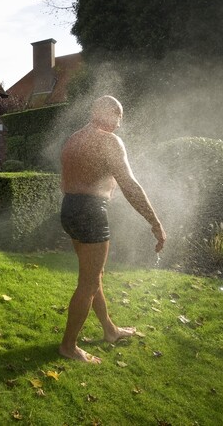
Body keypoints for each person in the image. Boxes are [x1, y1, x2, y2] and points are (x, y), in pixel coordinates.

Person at [58, 95, 166, 364]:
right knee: (89, 283)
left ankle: (110, 330)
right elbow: (129, 185)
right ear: (106, 113)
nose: (121, 120)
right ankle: (68, 347)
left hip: (69, 208)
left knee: (94, 277)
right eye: (118, 113)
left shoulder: (74, 139)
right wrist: (155, 222)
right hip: (91, 212)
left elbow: (66, 180)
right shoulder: (109, 141)